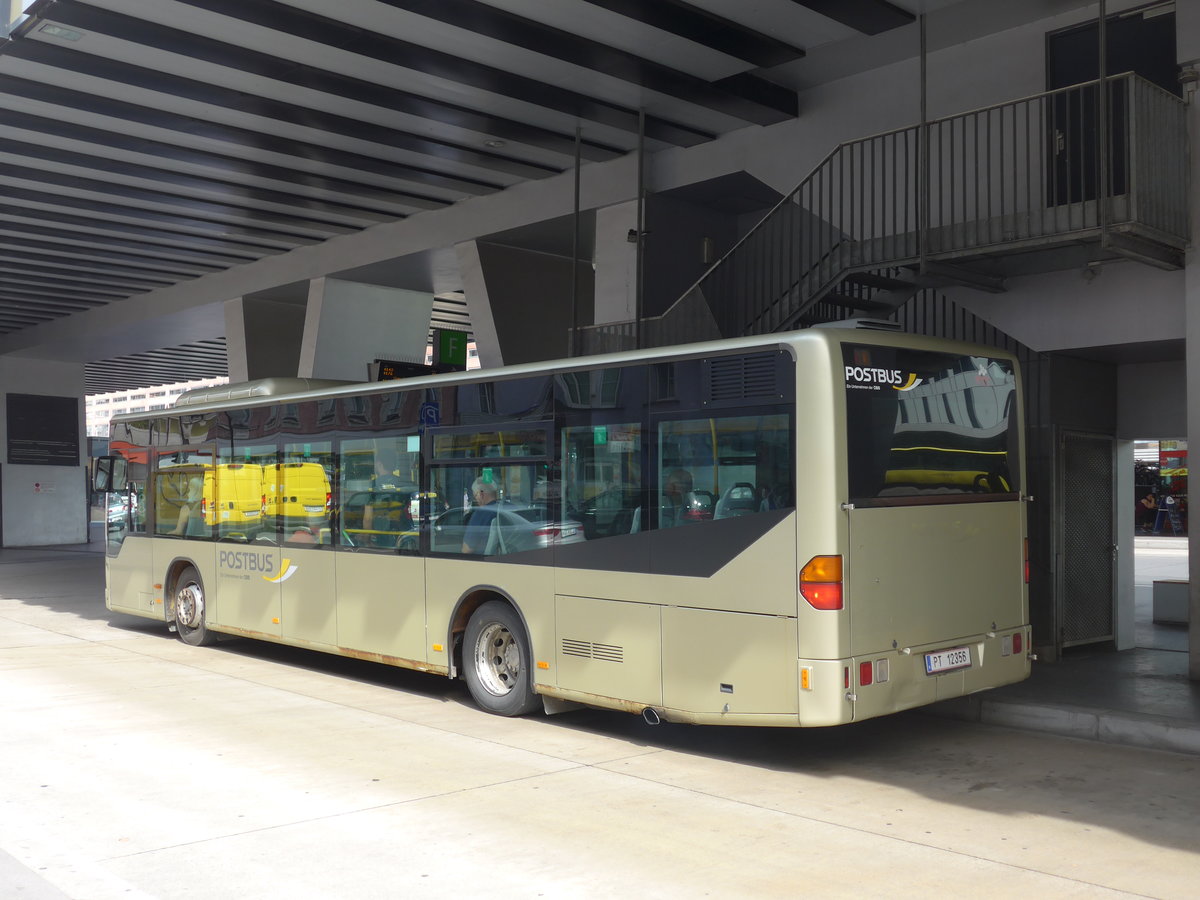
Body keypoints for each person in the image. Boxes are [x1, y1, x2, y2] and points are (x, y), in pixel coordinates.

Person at [462, 477, 499, 554]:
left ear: (481, 494)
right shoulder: (510, 507)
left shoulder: (481, 514)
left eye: (475, 496)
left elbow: (467, 550)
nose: (476, 499)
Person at [171, 472, 205, 537]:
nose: (187, 493)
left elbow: (178, 532)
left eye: (189, 490)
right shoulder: (204, 505)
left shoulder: (186, 508)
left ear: (195, 491)